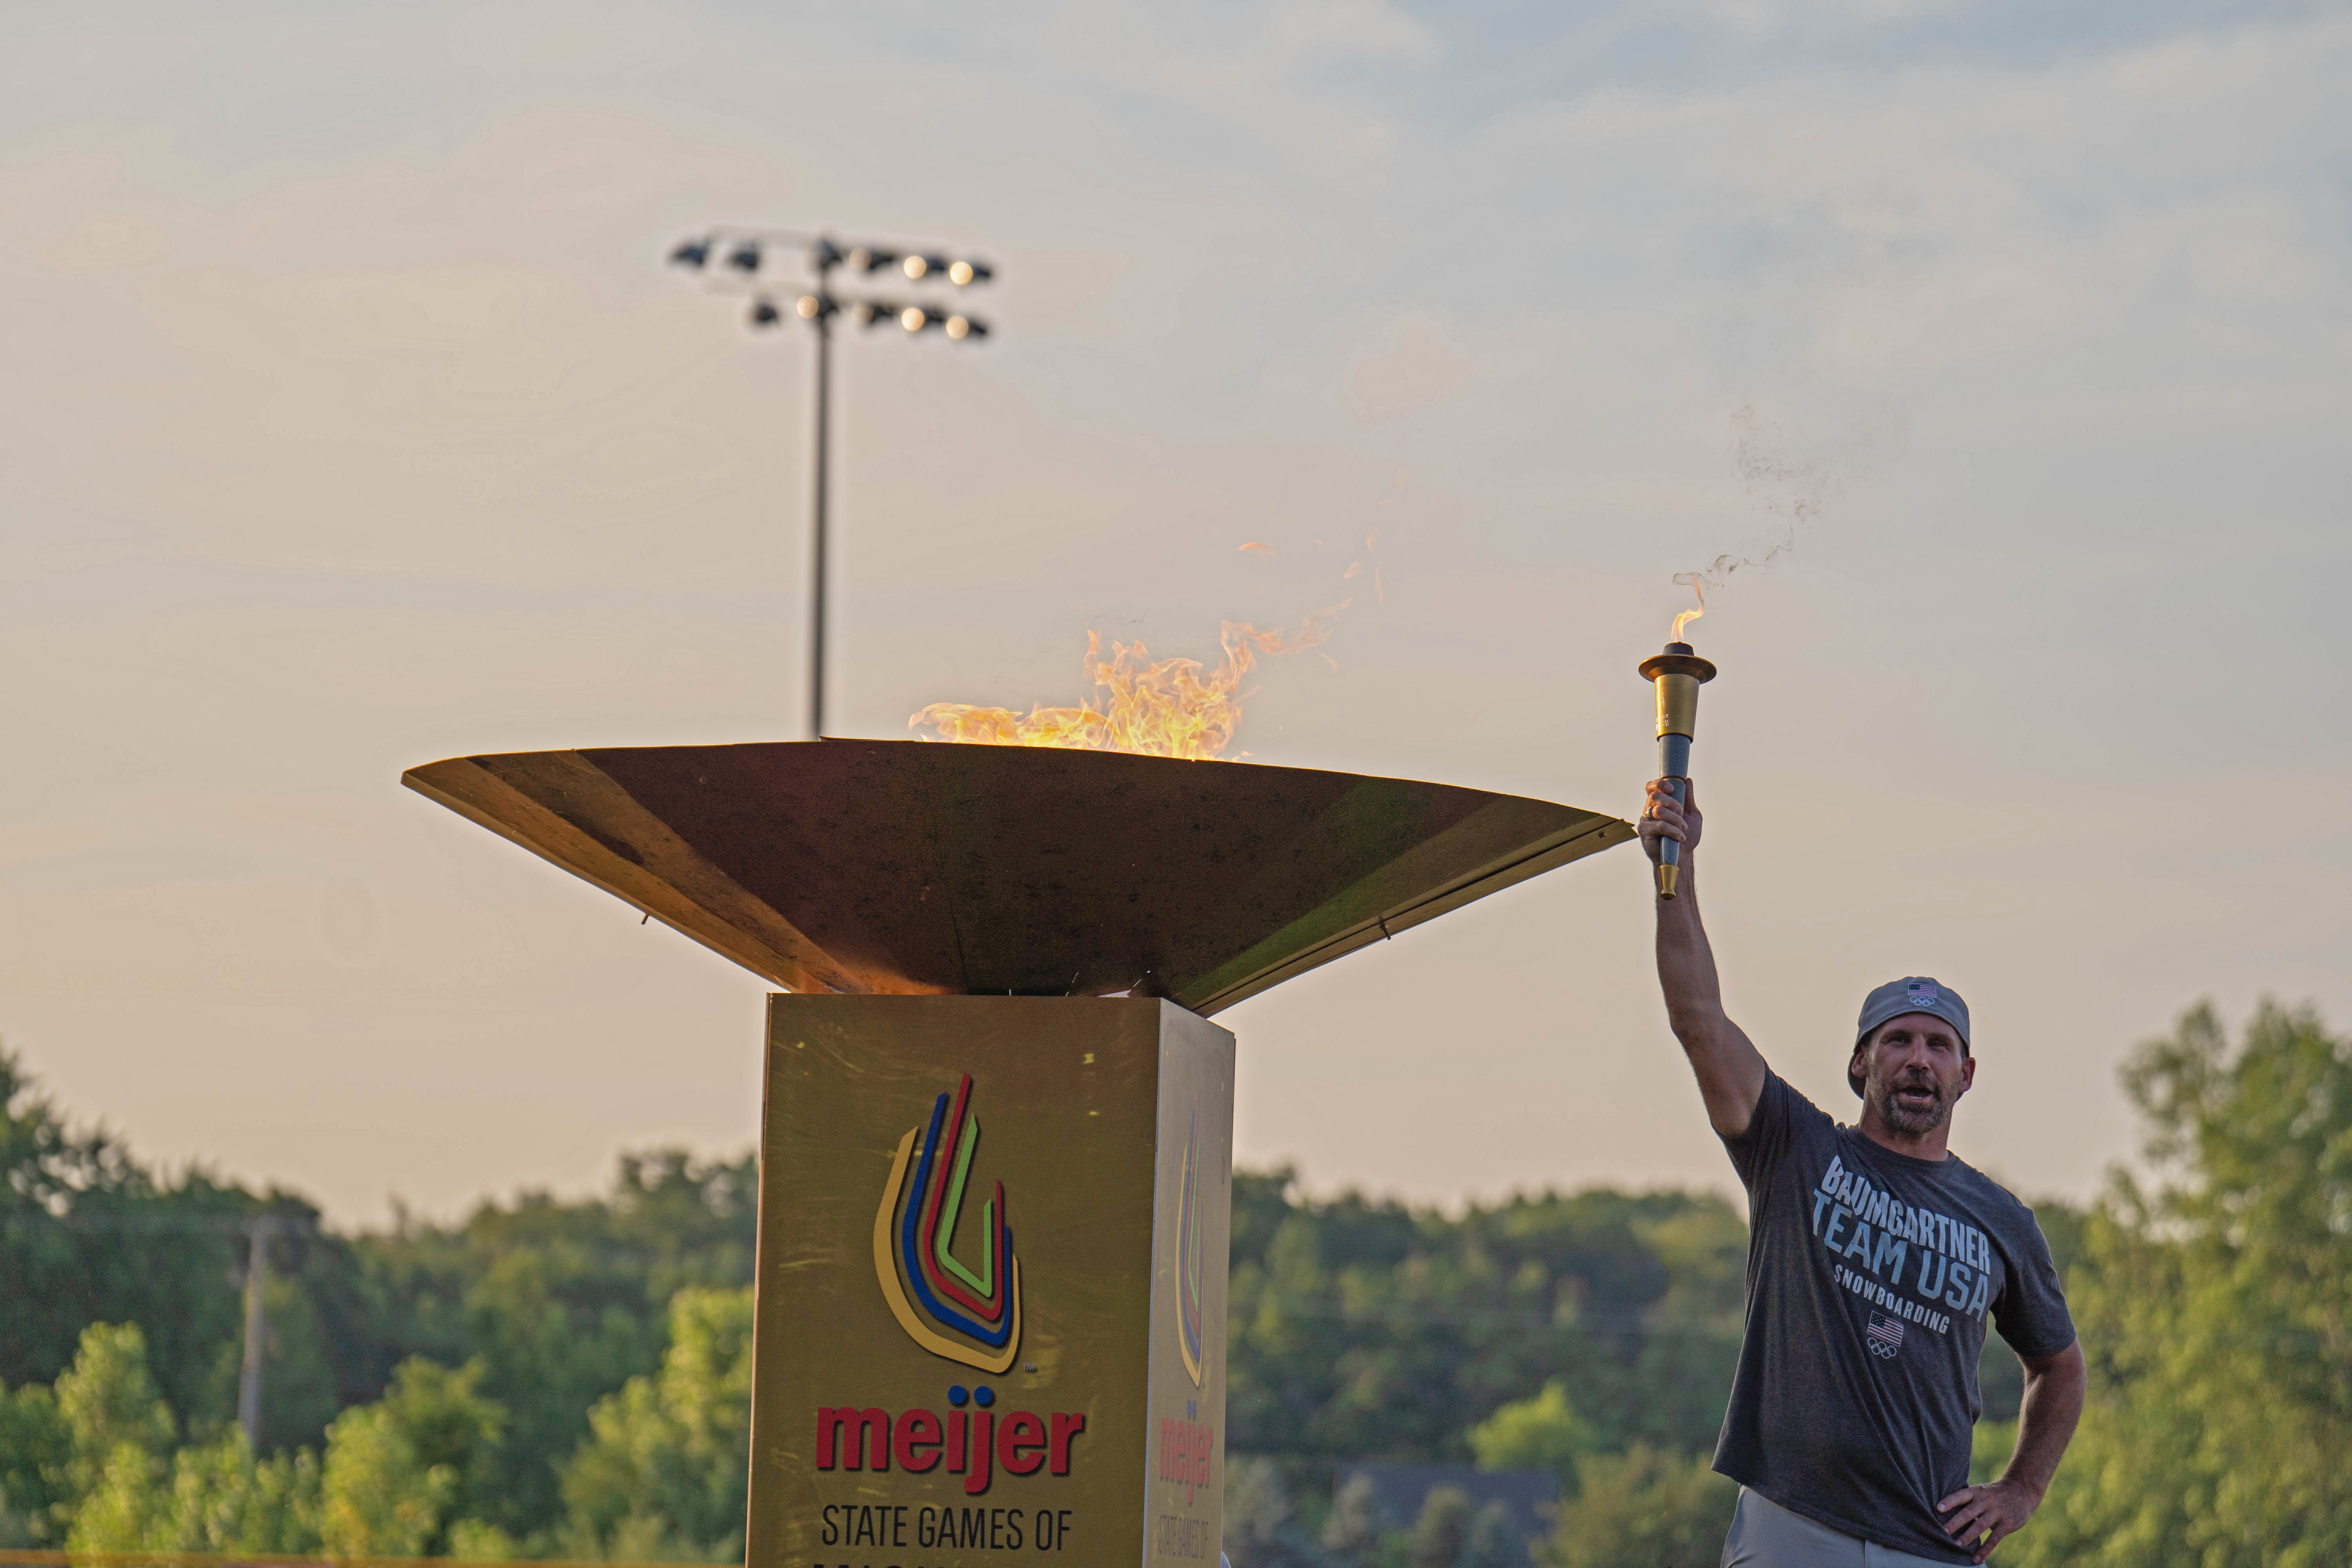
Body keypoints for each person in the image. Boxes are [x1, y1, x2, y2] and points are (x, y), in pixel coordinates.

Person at [1638, 777, 2085, 1566]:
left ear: (1966, 1072)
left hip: (1931, 1543)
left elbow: (2059, 1364)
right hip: (1792, 1525)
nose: (1918, 1057)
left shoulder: (2001, 1218)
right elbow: (1698, 1019)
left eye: (1938, 1044)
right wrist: (1676, 869)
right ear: (1860, 1061)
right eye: (1898, 1038)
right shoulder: (1796, 1148)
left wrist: (2022, 1488)